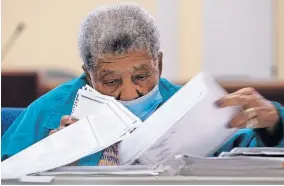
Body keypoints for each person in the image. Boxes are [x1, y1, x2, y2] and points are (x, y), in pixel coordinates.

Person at [2, 3, 284, 166]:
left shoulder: (189, 106)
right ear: (87, 73)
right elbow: (9, 169)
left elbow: (254, 157)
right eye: (110, 81)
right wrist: (51, 156)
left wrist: (273, 124)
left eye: (141, 76)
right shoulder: (50, 110)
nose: (129, 92)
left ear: (158, 64)